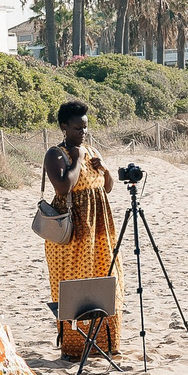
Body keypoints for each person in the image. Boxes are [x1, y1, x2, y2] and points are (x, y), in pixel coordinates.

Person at [39, 100, 118, 356]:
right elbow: (64, 187)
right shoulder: (56, 154)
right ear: (64, 127)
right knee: (74, 285)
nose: (83, 133)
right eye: (77, 128)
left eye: (85, 127)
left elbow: (107, 187)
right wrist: (78, 158)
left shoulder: (92, 150)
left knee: (104, 281)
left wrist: (104, 169)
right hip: (72, 233)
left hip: (99, 229)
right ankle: (75, 347)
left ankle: (105, 343)